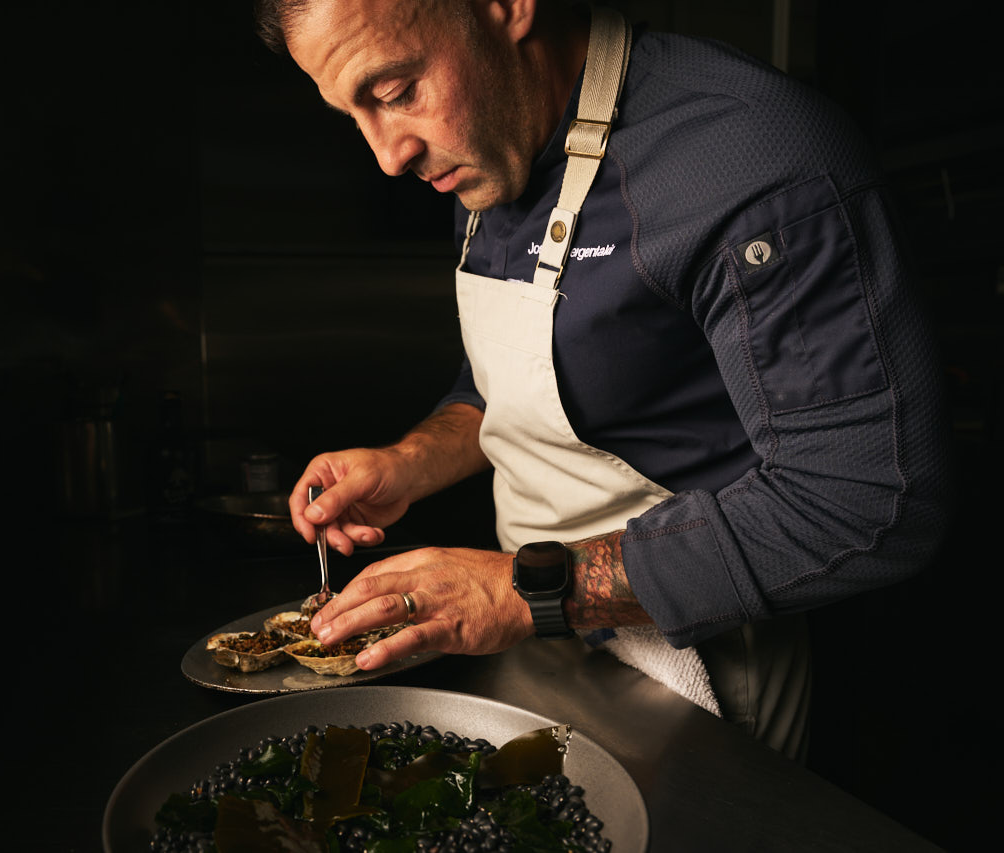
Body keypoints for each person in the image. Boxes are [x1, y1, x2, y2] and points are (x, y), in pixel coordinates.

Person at [259, 0, 952, 759]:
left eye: (394, 93)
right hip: (541, 646)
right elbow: (527, 376)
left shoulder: (750, 154)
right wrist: (411, 460)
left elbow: (870, 499)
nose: (387, 155)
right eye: (352, 114)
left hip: (699, 675)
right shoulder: (484, 143)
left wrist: (524, 589)